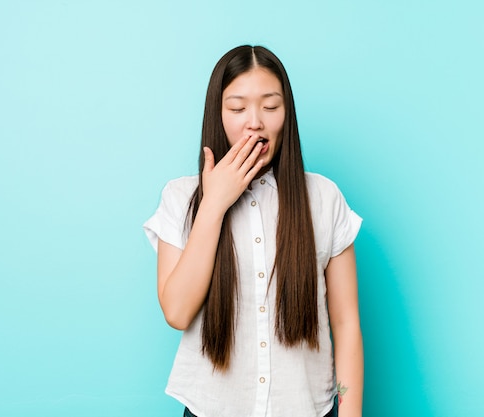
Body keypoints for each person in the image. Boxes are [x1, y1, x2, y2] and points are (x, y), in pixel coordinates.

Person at [143, 45, 363, 417]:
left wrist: (351, 412)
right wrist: (214, 204)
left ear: (286, 114)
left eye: (270, 107)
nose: (254, 121)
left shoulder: (323, 198)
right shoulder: (180, 197)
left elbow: (346, 323)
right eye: (238, 108)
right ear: (218, 114)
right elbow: (177, 311)